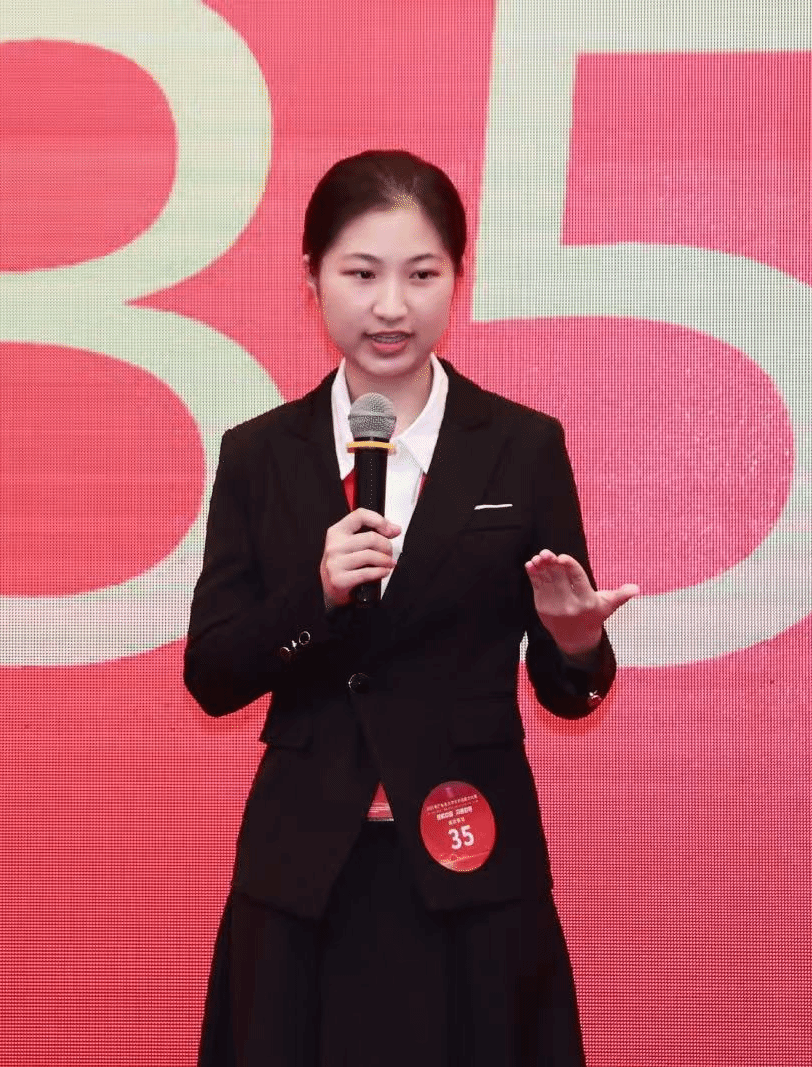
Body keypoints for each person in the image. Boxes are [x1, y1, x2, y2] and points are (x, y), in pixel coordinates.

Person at [184, 149, 638, 1067]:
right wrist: (313, 595)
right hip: (304, 872)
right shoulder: (260, 455)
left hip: (472, 865)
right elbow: (213, 674)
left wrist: (574, 643)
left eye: (421, 275)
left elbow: (569, 691)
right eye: (361, 274)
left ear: (457, 279)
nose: (391, 306)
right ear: (310, 277)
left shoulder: (521, 446)